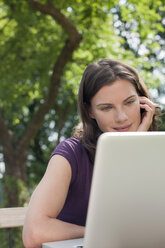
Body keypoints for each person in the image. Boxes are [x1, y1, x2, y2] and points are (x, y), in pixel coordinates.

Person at [22, 58, 160, 248]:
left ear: (143, 102)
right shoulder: (70, 154)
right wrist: (104, 233)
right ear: (90, 112)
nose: (122, 117)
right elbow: (34, 233)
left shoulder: (157, 152)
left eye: (129, 102)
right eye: (107, 107)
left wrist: (137, 145)